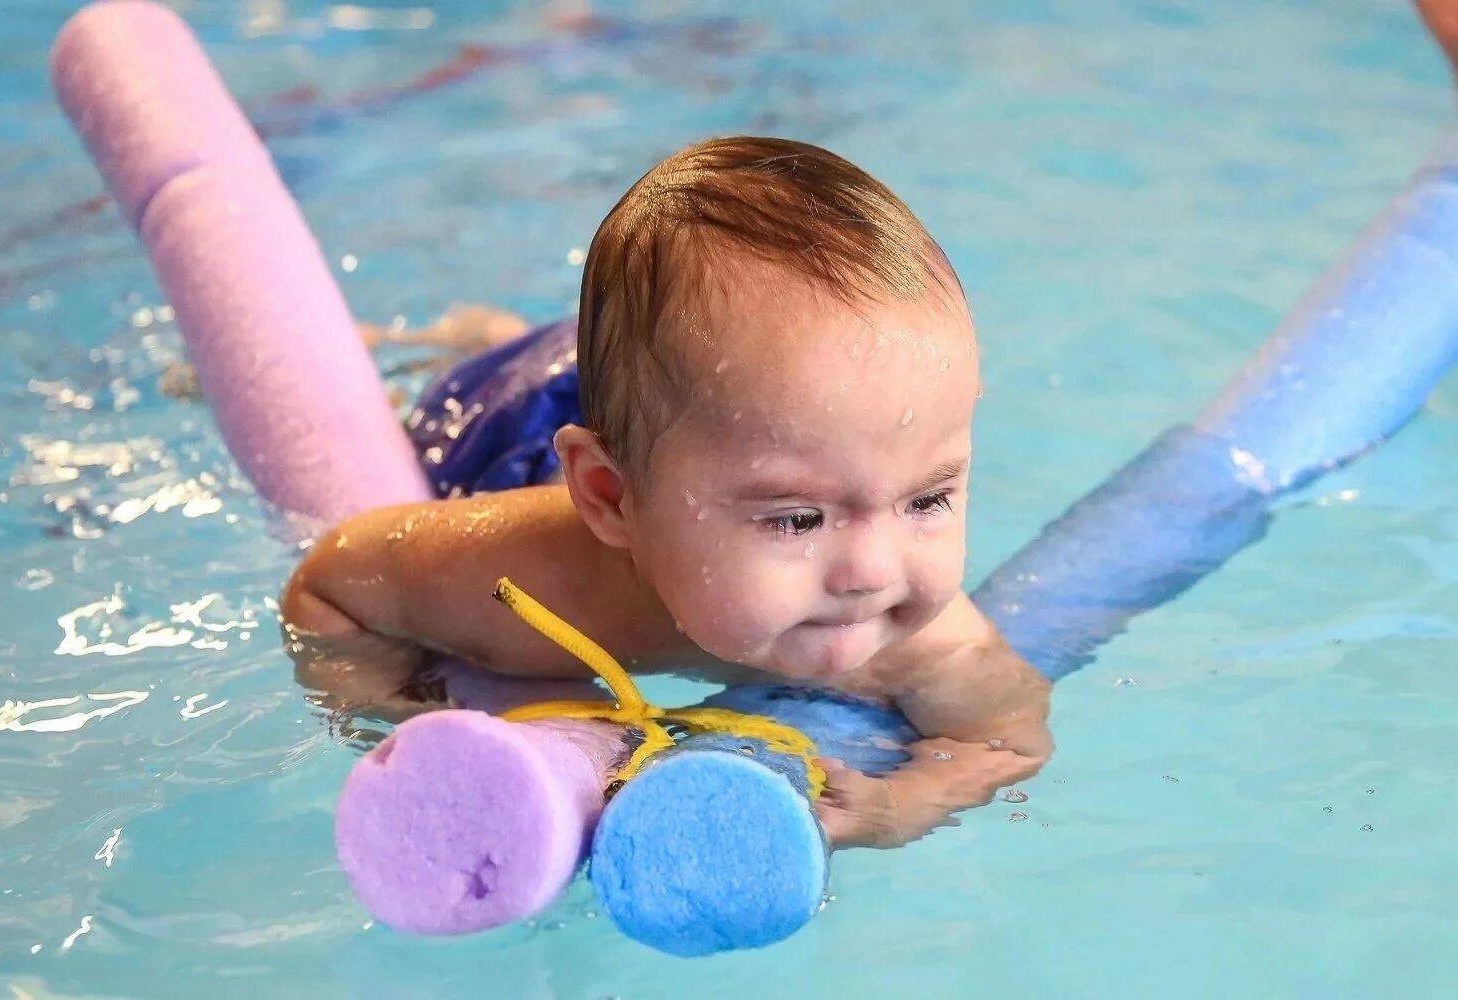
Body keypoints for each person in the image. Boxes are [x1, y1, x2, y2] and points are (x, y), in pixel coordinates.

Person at [281, 135, 1051, 850]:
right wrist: (402, 719)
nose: (873, 570)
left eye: (926, 501)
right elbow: (332, 587)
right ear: (612, 499)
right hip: (519, 416)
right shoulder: (535, 584)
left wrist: (899, 807)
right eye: (798, 519)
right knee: (456, 394)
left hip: (693, 411)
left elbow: (1002, 740)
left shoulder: (924, 634)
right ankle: (464, 339)